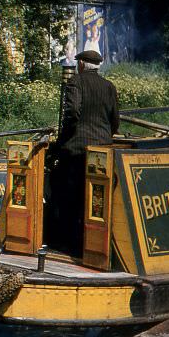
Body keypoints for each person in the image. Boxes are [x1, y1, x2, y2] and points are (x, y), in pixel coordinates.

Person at [49, 49, 119, 256]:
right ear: (97, 66)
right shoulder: (109, 86)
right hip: (103, 150)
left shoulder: (76, 82)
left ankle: (68, 243)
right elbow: (115, 121)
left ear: (81, 64)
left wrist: (62, 142)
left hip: (77, 149)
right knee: (96, 198)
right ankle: (95, 245)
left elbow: (72, 114)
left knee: (67, 194)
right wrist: (105, 137)